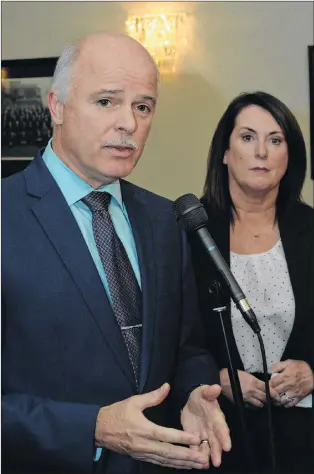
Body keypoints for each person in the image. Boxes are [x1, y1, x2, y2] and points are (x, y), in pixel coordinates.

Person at [1, 33, 231, 474]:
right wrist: (91, 426)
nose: (128, 122)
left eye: (143, 107)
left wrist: (196, 393)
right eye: (106, 102)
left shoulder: (166, 219)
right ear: (57, 106)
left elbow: (187, 350)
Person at [189, 91, 314, 474]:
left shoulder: (310, 229)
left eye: (275, 140)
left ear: (289, 155)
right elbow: (170, 338)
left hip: (303, 431)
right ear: (225, 151)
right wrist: (216, 376)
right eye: (247, 137)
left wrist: (313, 371)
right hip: (219, 429)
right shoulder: (190, 232)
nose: (261, 151)